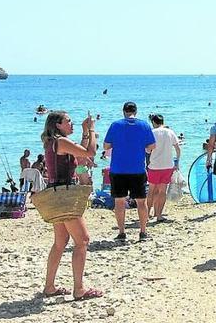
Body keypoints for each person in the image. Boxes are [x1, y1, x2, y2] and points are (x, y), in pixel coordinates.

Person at [40, 111, 102, 301]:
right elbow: (89, 152)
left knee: (60, 242)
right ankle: (79, 289)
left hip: (56, 193)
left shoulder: (52, 142)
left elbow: (80, 154)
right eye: (68, 121)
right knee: (82, 240)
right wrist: (91, 129)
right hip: (66, 196)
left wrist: (84, 131)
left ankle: (49, 286)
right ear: (58, 125)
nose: (71, 123)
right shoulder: (61, 142)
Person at [103, 102, 156, 241]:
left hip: (118, 169)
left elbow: (106, 145)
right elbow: (152, 145)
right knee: (141, 202)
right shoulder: (144, 125)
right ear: (136, 112)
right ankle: (143, 232)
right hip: (137, 169)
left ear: (123, 111)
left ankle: (121, 233)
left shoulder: (115, 125)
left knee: (119, 202)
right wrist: (143, 148)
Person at [146, 114, 180, 222]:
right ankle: (159, 215)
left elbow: (147, 150)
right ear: (162, 122)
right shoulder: (170, 132)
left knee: (151, 190)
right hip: (167, 166)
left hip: (154, 165)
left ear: (154, 122)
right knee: (162, 191)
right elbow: (178, 148)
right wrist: (177, 161)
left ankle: (146, 214)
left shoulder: (152, 132)